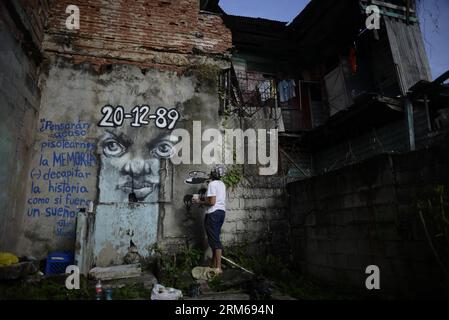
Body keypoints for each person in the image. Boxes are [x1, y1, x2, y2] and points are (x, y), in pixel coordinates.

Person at [193, 165, 227, 274]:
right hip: (221, 213)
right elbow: (214, 199)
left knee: (215, 240)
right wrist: (203, 198)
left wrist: (199, 201)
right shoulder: (221, 184)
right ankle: (213, 265)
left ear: (213, 173)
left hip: (213, 214)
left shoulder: (212, 184)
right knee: (214, 238)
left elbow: (212, 202)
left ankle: (218, 268)